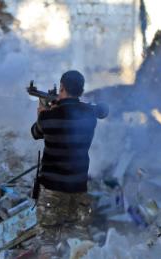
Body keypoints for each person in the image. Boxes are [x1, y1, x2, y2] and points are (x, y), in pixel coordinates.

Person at [30, 70, 105, 254]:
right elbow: (102, 110)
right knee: (80, 244)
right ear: (80, 90)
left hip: (52, 191)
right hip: (78, 188)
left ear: (61, 87)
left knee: (47, 243)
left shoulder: (48, 117)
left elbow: (35, 132)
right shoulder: (89, 114)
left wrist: (43, 112)